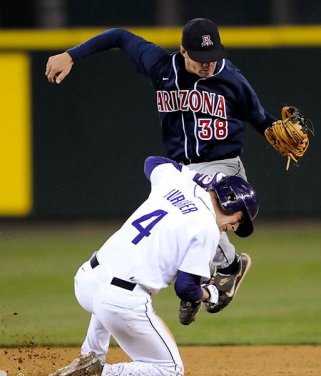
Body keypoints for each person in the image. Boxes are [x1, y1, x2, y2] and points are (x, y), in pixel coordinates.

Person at [45, 17, 274, 312]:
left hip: (222, 166)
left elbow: (260, 118)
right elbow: (119, 35)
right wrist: (70, 55)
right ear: (182, 51)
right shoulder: (161, 66)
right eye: (200, 58)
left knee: (195, 206)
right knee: (173, 221)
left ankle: (224, 269)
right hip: (182, 167)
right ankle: (208, 277)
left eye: (213, 57)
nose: (208, 64)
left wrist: (277, 131)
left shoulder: (232, 79)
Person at [43, 155, 259, 376]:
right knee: (170, 370)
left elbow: (152, 161)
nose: (235, 227)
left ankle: (91, 355)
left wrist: (195, 176)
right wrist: (210, 294)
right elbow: (186, 288)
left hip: (86, 280)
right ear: (229, 200)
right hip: (119, 302)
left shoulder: (177, 182)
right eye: (240, 219)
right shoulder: (207, 228)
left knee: (111, 286)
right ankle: (99, 373)